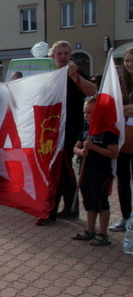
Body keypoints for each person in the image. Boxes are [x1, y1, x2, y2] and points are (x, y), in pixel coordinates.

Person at [39, 40, 97, 225]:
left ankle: (52, 212)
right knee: (64, 167)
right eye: (59, 54)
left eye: (66, 53)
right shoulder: (53, 75)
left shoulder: (76, 72)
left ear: (70, 54)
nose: (63, 57)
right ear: (54, 56)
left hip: (72, 127)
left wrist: (76, 78)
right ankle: (70, 208)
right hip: (54, 127)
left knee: (61, 167)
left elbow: (92, 91)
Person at [70, 97, 119, 245]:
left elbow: (114, 152)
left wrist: (93, 147)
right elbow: (76, 147)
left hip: (101, 173)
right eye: (85, 112)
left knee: (101, 202)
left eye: (90, 112)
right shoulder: (86, 130)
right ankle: (90, 230)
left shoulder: (108, 131)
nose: (86, 116)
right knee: (89, 201)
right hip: (86, 172)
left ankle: (102, 233)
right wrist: (80, 152)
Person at [113, 47, 133, 231]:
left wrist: (123, 108)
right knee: (123, 179)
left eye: (132, 61)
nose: (129, 64)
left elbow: (121, 108)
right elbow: (114, 106)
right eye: (127, 60)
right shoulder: (120, 81)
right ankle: (126, 217)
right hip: (124, 136)